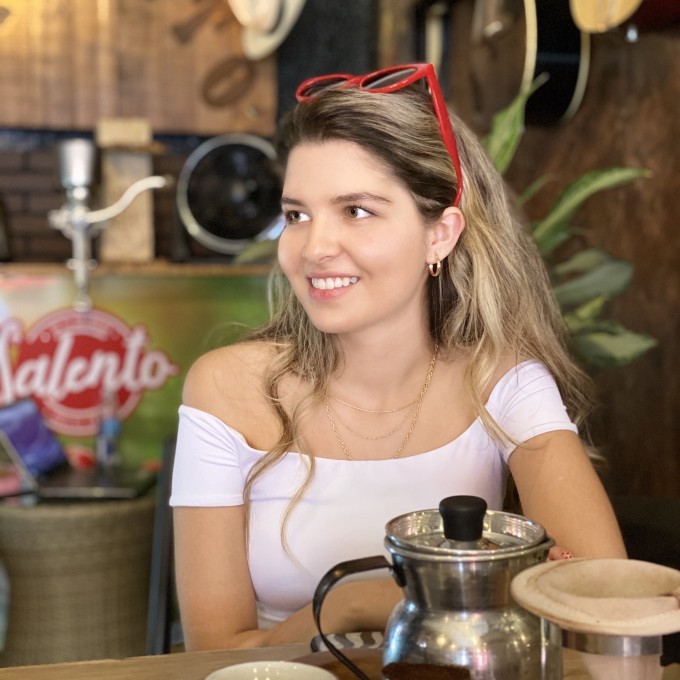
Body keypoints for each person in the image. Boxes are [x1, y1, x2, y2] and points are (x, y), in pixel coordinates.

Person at [170, 63, 627, 652]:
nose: (314, 247)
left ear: (439, 235)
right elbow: (212, 653)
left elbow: (601, 600)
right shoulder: (227, 390)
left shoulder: (502, 382)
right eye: (296, 215)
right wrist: (351, 604)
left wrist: (378, 601)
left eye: (356, 210)